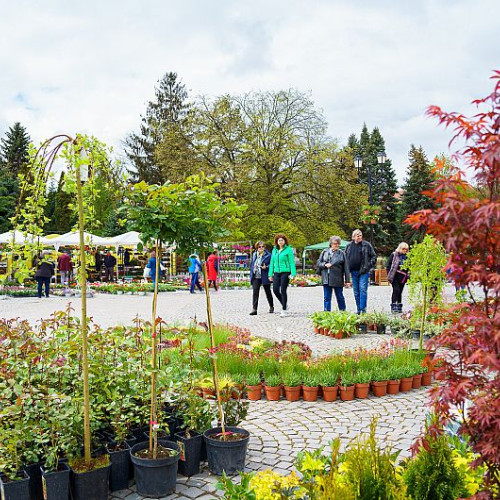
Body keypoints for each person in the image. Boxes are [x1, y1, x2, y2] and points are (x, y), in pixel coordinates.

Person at [345, 229, 377, 314]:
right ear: (353, 237)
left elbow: (374, 257)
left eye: (360, 235)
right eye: (357, 235)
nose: (359, 237)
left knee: (362, 289)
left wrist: (367, 266)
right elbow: (345, 259)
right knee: (356, 291)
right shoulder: (348, 246)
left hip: (363, 271)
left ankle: (363, 310)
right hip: (353, 272)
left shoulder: (366, 245)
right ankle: (359, 310)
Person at [316, 236, 350, 311]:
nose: (337, 245)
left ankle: (343, 312)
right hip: (326, 278)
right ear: (331, 244)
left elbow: (346, 268)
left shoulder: (342, 253)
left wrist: (347, 280)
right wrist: (325, 265)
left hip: (337, 278)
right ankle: (327, 313)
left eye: (338, 244)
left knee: (340, 297)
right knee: (326, 297)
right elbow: (318, 263)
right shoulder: (324, 252)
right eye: (335, 243)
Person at [269, 233, 297, 317]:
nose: (280, 242)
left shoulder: (288, 250)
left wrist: (293, 274)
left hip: (285, 272)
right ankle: (284, 303)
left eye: (282, 240)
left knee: (283, 290)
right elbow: (271, 263)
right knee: (275, 290)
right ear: (276, 242)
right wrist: (270, 274)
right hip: (276, 272)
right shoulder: (274, 250)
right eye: (279, 240)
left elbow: (292, 262)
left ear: (285, 241)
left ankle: (284, 309)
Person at [249, 241, 274, 315]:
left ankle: (271, 306)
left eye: (263, 246)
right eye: (259, 247)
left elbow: (272, 265)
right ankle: (254, 309)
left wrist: (266, 267)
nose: (261, 248)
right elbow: (252, 264)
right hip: (256, 276)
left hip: (264, 275)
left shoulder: (268, 255)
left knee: (268, 292)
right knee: (255, 293)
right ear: (257, 247)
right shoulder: (254, 255)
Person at [386, 242, 410, 313]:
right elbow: (388, 266)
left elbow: (410, 267)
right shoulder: (394, 255)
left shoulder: (408, 257)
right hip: (394, 275)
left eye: (406, 249)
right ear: (400, 248)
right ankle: (393, 305)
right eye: (403, 249)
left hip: (403, 276)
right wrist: (389, 275)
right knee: (396, 290)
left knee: (400, 291)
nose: (405, 250)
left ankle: (399, 305)